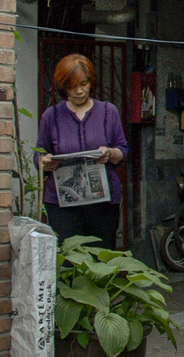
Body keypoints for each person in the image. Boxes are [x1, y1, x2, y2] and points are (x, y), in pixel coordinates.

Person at [37, 53, 127, 249]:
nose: (79, 91)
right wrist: (45, 162)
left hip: (102, 203)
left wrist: (110, 153)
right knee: (69, 260)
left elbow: (123, 150)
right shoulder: (51, 116)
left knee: (101, 258)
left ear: (91, 82)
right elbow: (38, 154)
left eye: (84, 84)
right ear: (63, 87)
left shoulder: (108, 112)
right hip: (62, 205)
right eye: (72, 86)